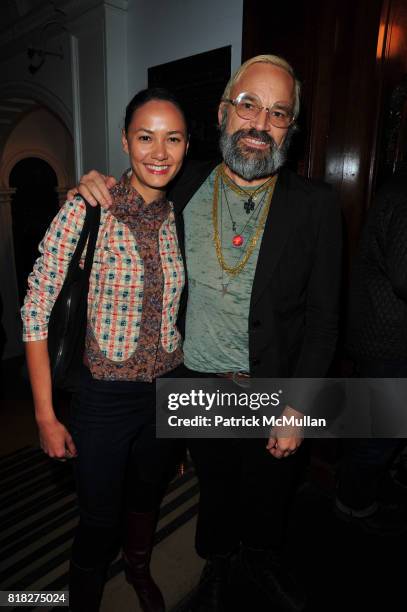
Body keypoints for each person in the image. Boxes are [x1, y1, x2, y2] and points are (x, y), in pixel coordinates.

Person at [73, 55, 342, 612]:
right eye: (248, 105)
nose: (259, 124)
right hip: (195, 381)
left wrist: (299, 406)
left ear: (290, 127)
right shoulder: (184, 181)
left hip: (275, 388)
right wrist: (93, 182)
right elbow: (136, 181)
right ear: (223, 111)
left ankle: (262, 561)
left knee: (271, 495)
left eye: (278, 113)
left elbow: (324, 319)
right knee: (215, 493)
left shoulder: (317, 207)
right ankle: (217, 567)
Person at [21, 88, 189, 612]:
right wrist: (47, 416)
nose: (159, 152)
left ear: (186, 146)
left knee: (145, 497)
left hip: (166, 390)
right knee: (98, 519)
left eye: (173, 138)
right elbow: (35, 310)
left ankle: (138, 570)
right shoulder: (88, 207)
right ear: (125, 141)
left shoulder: (178, 217)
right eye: (145, 137)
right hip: (104, 398)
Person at [336, 168, 407, 534]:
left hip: (384, 335)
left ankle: (364, 490)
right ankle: (354, 505)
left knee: (380, 429)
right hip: (387, 339)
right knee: (380, 435)